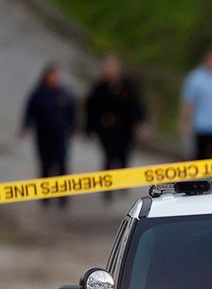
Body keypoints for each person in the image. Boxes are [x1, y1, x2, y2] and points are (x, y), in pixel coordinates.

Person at [85, 54, 146, 201]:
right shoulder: (99, 87)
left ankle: (123, 183)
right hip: (106, 130)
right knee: (108, 157)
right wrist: (90, 127)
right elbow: (91, 107)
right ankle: (108, 188)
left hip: (124, 129)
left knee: (123, 156)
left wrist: (141, 122)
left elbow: (137, 105)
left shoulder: (127, 86)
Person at [21, 63, 76, 210]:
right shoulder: (38, 94)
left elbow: (72, 112)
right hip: (43, 136)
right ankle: (45, 196)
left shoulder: (64, 94)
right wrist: (25, 126)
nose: (54, 79)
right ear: (46, 77)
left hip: (60, 136)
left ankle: (63, 197)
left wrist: (72, 127)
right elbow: (29, 111)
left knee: (62, 165)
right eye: (51, 76)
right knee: (45, 166)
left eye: (56, 76)